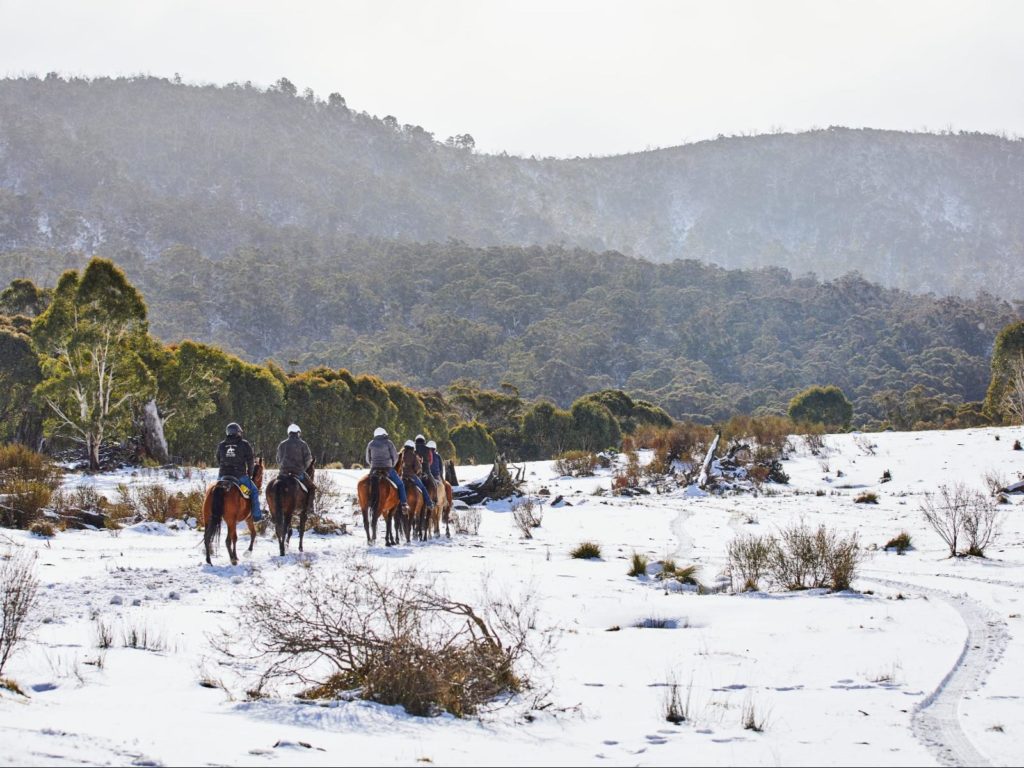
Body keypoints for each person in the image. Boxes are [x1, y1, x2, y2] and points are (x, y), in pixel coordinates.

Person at [216, 422, 261, 522]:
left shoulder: (221, 445)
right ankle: (257, 516)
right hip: (239, 476)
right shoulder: (244, 444)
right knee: (254, 491)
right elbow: (250, 460)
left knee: (214, 491)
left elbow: (218, 459)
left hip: (223, 476)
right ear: (237, 432)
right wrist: (250, 473)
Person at [365, 427, 409, 513]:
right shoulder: (389, 443)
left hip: (374, 469)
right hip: (387, 469)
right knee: (400, 484)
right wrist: (391, 465)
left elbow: (367, 458)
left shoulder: (370, 444)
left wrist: (372, 465)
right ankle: (404, 504)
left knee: (366, 484)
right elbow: (395, 457)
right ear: (384, 434)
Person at [276, 423, 316, 513]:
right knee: (312, 488)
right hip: (298, 472)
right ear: (298, 433)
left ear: (289, 433)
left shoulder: (282, 444)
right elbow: (308, 459)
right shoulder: (303, 444)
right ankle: (309, 509)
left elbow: (278, 459)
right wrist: (303, 469)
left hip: (283, 473)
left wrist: (282, 467)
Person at [397, 439, 434, 510]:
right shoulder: (413, 455)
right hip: (412, 476)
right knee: (423, 488)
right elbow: (418, 467)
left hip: (402, 476)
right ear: (412, 447)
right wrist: (416, 471)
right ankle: (429, 503)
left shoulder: (401, 454)